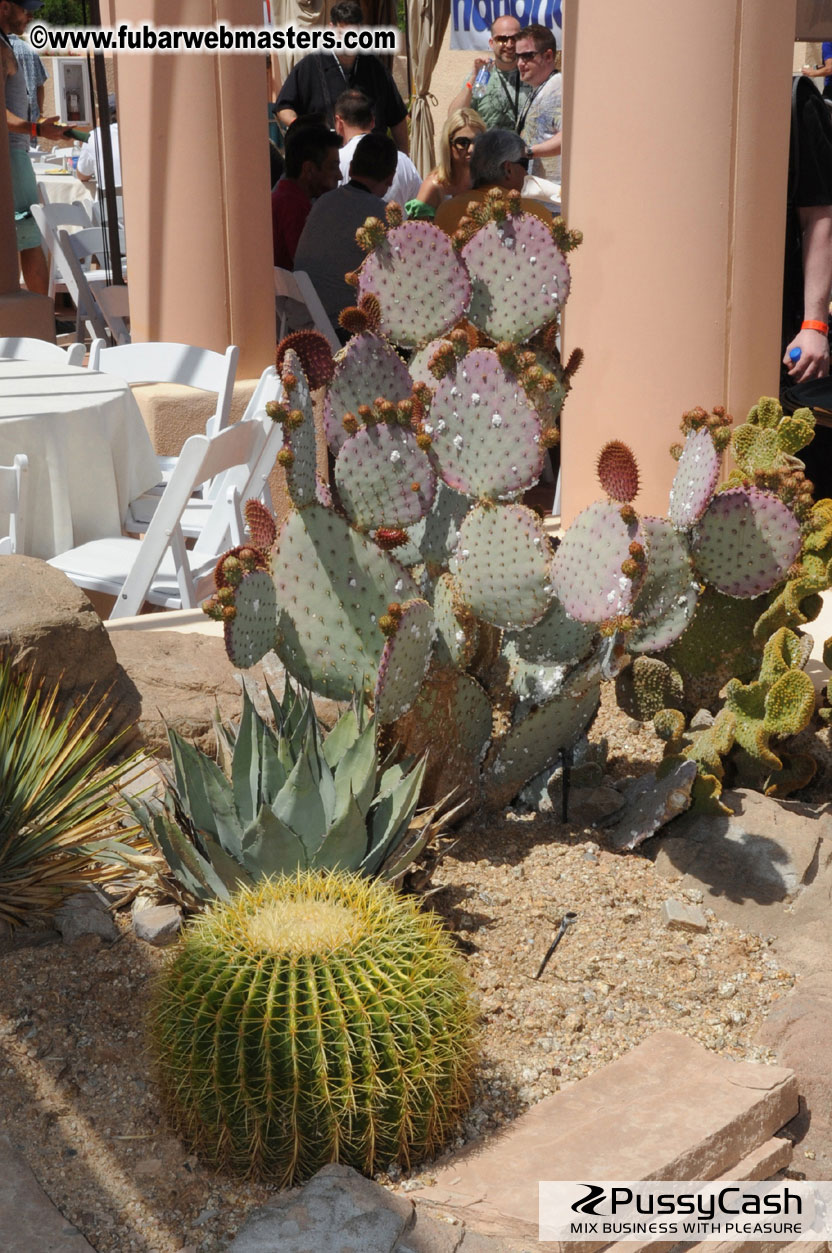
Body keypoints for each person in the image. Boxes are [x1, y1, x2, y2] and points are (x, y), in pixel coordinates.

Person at [294, 133, 397, 340]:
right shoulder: (381, 215)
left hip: (303, 319)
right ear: (390, 178)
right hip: (342, 328)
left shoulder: (322, 202)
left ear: (350, 169)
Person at [1, 0, 70, 295]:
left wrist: (40, 125)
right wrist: (37, 128)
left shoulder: (10, 45)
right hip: (12, 155)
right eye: (26, 8)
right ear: (4, 7)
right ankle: (40, 323)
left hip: (15, 152)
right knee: (27, 240)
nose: (31, 15)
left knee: (22, 239)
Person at [276, 0, 409, 152]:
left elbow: (397, 117)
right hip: (325, 164)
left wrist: (403, 156)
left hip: (372, 163)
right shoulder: (310, 66)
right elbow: (284, 107)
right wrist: (303, 129)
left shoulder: (375, 68)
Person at [434, 129, 553, 235]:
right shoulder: (537, 216)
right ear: (508, 169)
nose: (526, 173)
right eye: (524, 163)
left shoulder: (446, 211)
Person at [272, 122, 341, 269]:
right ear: (309, 170)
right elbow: (309, 266)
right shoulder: (293, 205)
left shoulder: (289, 198)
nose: (340, 175)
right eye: (333, 166)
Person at [334, 88, 420, 206]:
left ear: (339, 122)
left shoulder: (336, 161)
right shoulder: (404, 162)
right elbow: (419, 203)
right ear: (373, 121)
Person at [447, 14, 530, 132]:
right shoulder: (482, 77)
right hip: (487, 148)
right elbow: (453, 117)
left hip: (523, 149)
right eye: (502, 39)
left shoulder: (531, 74)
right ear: (491, 43)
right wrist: (473, 78)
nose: (509, 44)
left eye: (514, 38)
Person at [409, 107, 486, 220]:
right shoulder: (434, 188)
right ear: (448, 146)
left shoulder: (487, 181)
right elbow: (416, 233)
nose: (471, 149)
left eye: (478, 141)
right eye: (462, 142)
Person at [515, 22, 562, 182]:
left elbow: (570, 136)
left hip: (554, 199)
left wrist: (528, 152)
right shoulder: (540, 88)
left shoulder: (557, 87)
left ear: (548, 56)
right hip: (539, 196)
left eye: (527, 56)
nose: (520, 63)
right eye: (518, 56)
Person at [76, 93, 121, 189]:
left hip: (108, 202)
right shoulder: (138, 134)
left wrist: (98, 129)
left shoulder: (94, 136)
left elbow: (83, 175)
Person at [9, 26, 45, 122]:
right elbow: (40, 86)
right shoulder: (30, 49)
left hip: (11, 121)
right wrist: (40, 112)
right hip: (31, 121)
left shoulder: (4, 49)